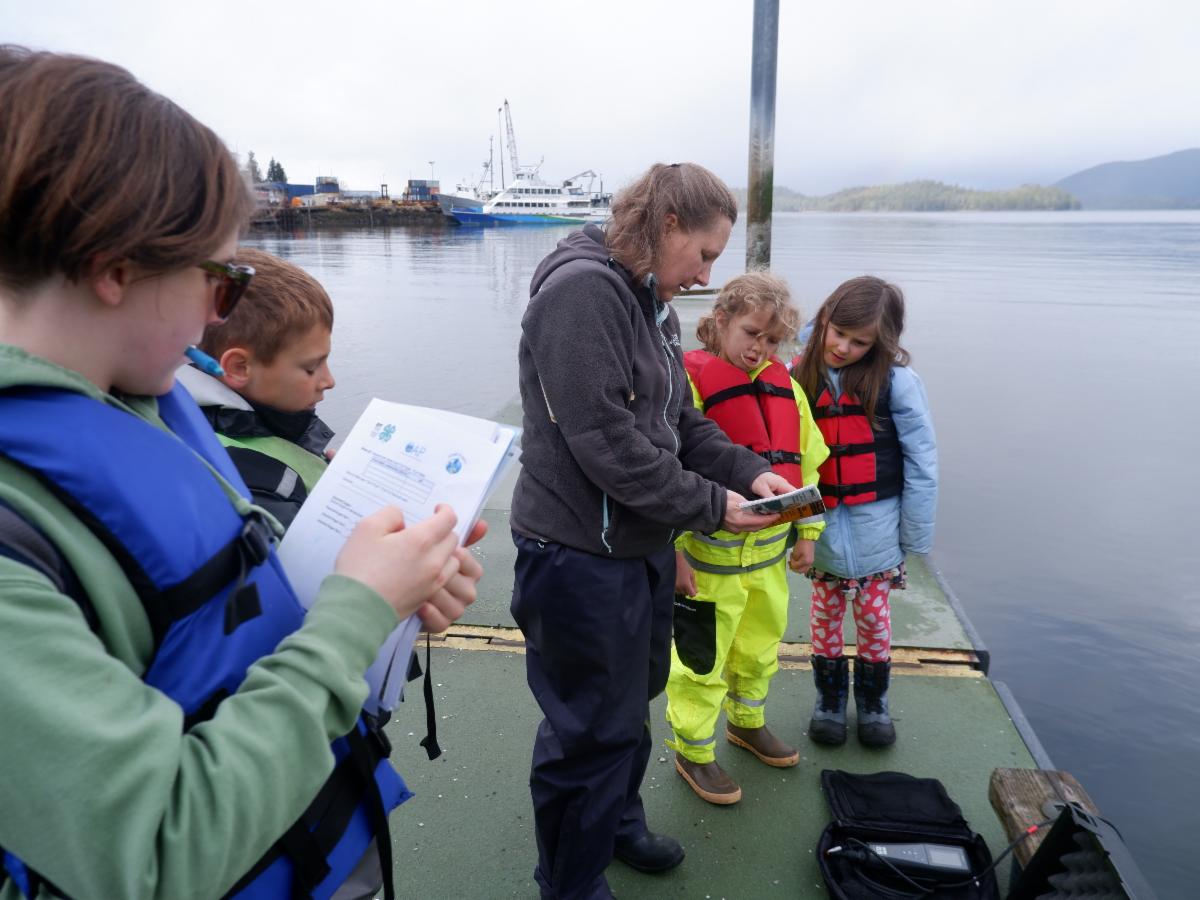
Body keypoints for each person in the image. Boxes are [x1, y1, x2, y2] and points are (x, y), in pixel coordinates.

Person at [0, 46, 483, 900]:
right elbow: (150, 855)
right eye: (220, 281)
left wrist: (390, 606)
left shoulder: (136, 405)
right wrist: (355, 614)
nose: (219, 312)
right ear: (118, 268)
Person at [510, 162, 797, 900]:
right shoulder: (581, 293)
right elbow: (605, 441)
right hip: (575, 554)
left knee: (629, 704)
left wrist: (747, 471)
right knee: (587, 730)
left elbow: (678, 421)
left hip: (636, 547)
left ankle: (615, 823)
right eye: (703, 254)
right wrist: (709, 507)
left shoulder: (650, 300)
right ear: (667, 225)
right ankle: (569, 882)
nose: (706, 276)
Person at [665, 271, 829, 804]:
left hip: (768, 560)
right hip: (707, 564)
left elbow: (809, 462)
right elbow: (666, 471)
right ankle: (693, 750)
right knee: (699, 662)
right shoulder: (687, 384)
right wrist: (672, 554)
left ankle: (747, 721)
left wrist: (806, 531)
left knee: (760, 648)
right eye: (751, 333)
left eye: (772, 340)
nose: (760, 349)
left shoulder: (789, 388)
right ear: (719, 323)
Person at [789, 275, 937, 747]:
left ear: (880, 343)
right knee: (824, 618)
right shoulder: (797, 376)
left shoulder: (898, 383)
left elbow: (922, 461)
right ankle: (829, 700)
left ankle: (874, 703)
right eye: (838, 333)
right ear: (825, 319)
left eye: (860, 342)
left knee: (874, 619)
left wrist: (913, 537)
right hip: (825, 532)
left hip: (878, 531)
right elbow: (787, 459)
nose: (844, 347)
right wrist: (796, 534)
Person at [178, 247, 337, 530]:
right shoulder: (256, 491)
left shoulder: (176, 414)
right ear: (239, 368)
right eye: (311, 368)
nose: (329, 381)